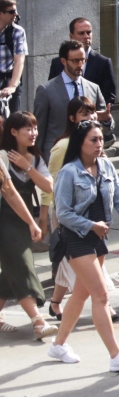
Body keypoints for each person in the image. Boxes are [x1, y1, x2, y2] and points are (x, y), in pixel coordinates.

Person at [44, 122, 119, 372]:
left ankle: (58, 344)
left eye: (101, 139)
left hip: (99, 237)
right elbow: (63, 213)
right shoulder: (69, 172)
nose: (100, 145)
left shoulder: (106, 165)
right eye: (94, 140)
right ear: (80, 143)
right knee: (101, 295)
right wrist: (91, 225)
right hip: (77, 238)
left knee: (81, 294)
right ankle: (116, 355)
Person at [0, 111, 49, 337]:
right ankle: (38, 320)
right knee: (21, 264)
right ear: (13, 132)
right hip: (5, 220)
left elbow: (48, 187)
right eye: (28, 129)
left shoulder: (36, 158)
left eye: (35, 128)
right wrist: (33, 222)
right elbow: (9, 193)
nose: (33, 134)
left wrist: (27, 166)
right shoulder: (2, 157)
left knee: (12, 269)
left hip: (21, 220)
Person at [45, 19, 115, 146]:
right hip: (60, 146)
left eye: (89, 32)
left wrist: (104, 117)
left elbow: (107, 100)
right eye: (81, 33)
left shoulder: (102, 65)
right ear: (64, 61)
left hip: (88, 146)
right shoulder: (49, 82)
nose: (86, 36)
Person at [33, 41, 103, 162]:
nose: (80, 64)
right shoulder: (46, 90)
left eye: (83, 60)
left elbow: (104, 124)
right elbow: (39, 129)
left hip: (87, 156)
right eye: (75, 61)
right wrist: (37, 161)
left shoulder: (93, 88)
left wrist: (106, 120)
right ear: (63, 61)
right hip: (58, 155)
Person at [0, 0, 25, 117]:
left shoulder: (17, 31)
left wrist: (12, 86)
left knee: (13, 121)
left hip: (9, 78)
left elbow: (19, 60)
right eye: (11, 12)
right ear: (0, 14)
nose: (16, 14)